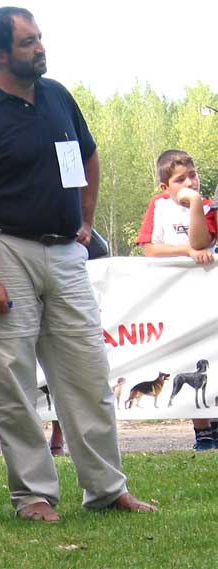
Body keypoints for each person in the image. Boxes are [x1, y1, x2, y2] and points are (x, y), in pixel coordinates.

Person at [0, 7, 156, 522]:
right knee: (12, 382)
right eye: (27, 42)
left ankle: (107, 488)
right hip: (3, 249)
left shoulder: (58, 96)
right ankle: (33, 496)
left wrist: (85, 221)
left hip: (64, 251)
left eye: (39, 38)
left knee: (88, 373)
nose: (40, 48)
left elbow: (88, 155)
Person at [136, 149, 216, 450]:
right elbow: (149, 248)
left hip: (206, 295)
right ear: (164, 187)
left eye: (193, 176)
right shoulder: (158, 206)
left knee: (211, 358)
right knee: (188, 360)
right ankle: (202, 430)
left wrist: (195, 203)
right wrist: (185, 253)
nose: (190, 183)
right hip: (174, 296)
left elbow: (201, 242)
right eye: (180, 180)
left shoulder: (206, 206)